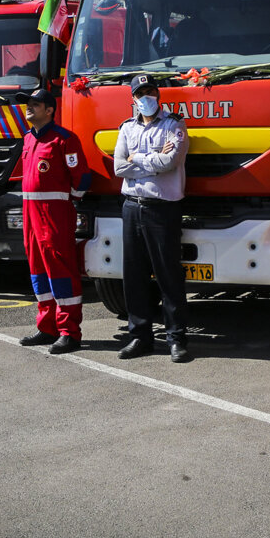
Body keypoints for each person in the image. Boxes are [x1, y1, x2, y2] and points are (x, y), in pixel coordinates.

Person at [113, 74, 191, 362]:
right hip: (132, 206)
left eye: (151, 92)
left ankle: (177, 339)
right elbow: (119, 167)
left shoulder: (175, 124)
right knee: (133, 275)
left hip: (163, 208)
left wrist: (138, 160)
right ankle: (140, 336)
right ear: (132, 99)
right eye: (141, 93)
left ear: (158, 95)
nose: (147, 97)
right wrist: (153, 159)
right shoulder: (126, 128)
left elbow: (172, 162)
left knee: (168, 274)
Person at [14, 88, 92, 354]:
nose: (29, 108)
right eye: (28, 104)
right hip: (30, 213)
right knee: (37, 269)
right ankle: (47, 327)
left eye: (34, 104)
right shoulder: (27, 139)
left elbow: (81, 178)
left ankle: (69, 332)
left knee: (60, 269)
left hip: (54, 213)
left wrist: (66, 202)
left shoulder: (64, 140)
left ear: (49, 110)